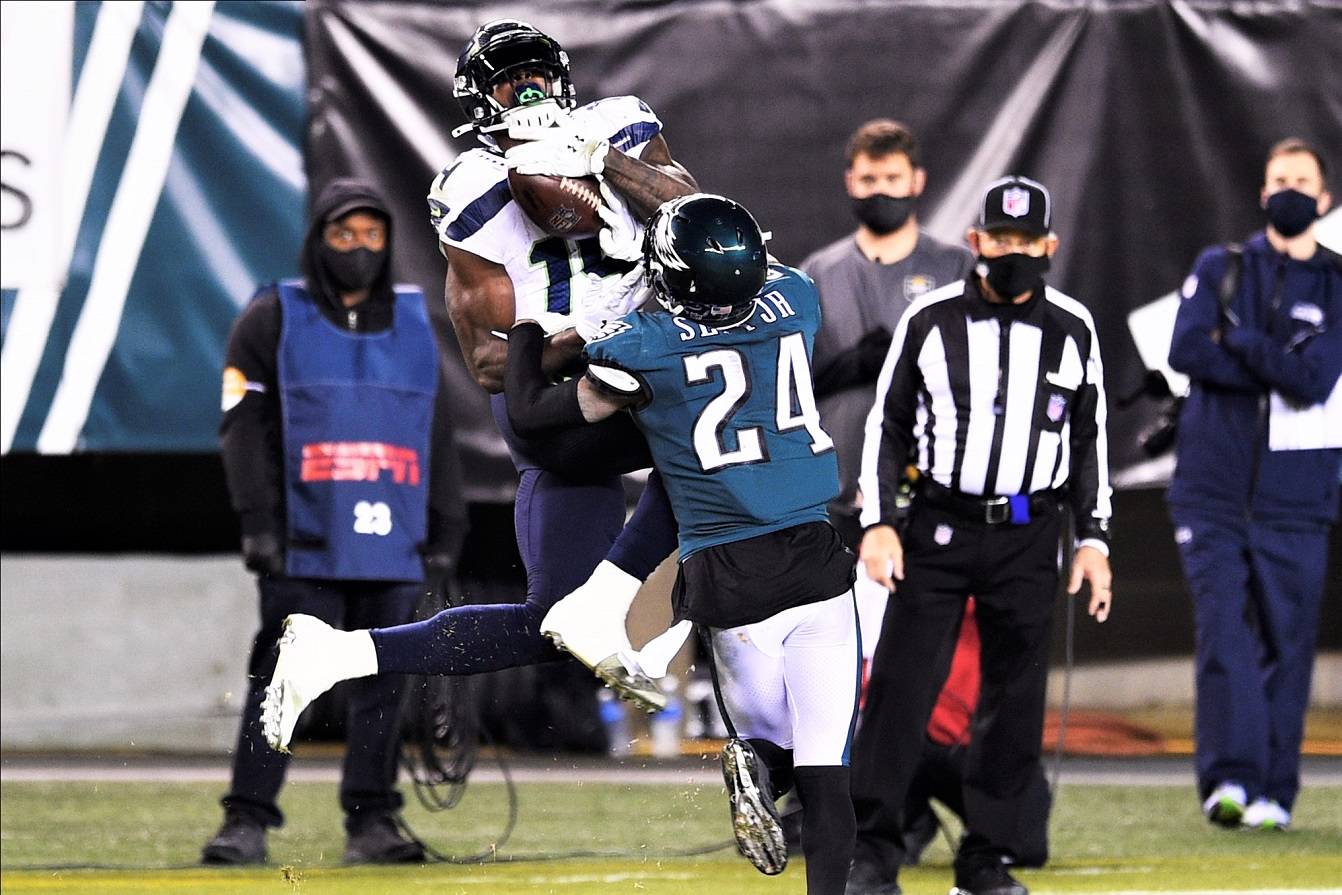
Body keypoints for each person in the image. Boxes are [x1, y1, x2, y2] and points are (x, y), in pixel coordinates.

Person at [259, 195, 861, 895]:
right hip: (809, 554)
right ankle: (746, 747)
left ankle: (362, 647)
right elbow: (728, 236)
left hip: (721, 566)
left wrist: (536, 333)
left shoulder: (645, 343)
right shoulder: (795, 298)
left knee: (572, 597)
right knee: (824, 769)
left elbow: (526, 409)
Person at [399, 18, 697, 709]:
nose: (530, 88)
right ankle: (606, 603)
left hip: (649, 366)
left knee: (726, 447)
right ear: (482, 101)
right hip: (558, 389)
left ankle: (342, 652)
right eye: (511, 80)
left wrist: (602, 163)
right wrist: (594, 341)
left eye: (538, 73)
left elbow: (691, 209)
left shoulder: (618, 124)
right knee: (713, 447)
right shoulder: (473, 190)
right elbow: (488, 362)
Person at [848, 176, 1114, 895]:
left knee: (1016, 696)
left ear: (1049, 246)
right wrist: (879, 522)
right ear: (977, 242)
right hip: (938, 522)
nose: (1013, 252)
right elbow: (889, 422)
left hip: (1031, 531)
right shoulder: (931, 320)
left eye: (1027, 242)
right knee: (901, 684)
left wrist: (1095, 539)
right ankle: (872, 846)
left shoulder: (1073, 326)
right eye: (1001, 239)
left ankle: (984, 855)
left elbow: (1089, 441)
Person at [200, 179, 467, 866]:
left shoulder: (415, 322)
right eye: (343, 235)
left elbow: (434, 429)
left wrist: (447, 523)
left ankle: (372, 823)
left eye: (371, 235)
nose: (358, 248)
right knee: (282, 680)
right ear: (319, 239)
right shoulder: (271, 315)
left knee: (384, 688)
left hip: (394, 539)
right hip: (304, 541)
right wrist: (256, 519)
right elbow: (241, 425)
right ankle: (246, 820)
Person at [1166, 137, 1341, 831]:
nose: (1290, 190)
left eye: (1303, 180)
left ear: (1323, 198)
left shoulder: (1336, 279)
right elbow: (1185, 349)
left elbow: (1314, 378)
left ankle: (1276, 790)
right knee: (1223, 636)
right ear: (1263, 192)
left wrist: (1235, 342)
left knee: (1287, 642)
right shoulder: (1222, 266)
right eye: (1279, 179)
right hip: (1210, 490)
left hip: (1297, 499)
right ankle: (1228, 782)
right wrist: (1273, 359)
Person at [801, 118, 973, 547]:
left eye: (893, 178)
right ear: (850, 182)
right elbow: (791, 381)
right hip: (833, 490)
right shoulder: (818, 273)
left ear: (917, 181)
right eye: (869, 179)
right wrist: (849, 365)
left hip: (931, 489)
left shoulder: (957, 269)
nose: (882, 190)